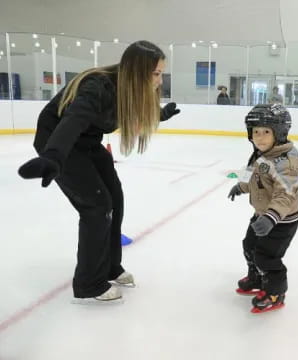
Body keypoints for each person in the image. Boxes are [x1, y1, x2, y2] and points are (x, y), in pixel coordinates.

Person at [18, 40, 180, 303]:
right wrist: (53, 156)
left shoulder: (131, 88)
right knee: (96, 205)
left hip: (89, 141)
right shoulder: (98, 86)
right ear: (138, 71)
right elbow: (74, 119)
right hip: (60, 142)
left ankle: (109, 267)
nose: (160, 81)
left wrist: (161, 115)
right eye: (156, 74)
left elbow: (131, 112)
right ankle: (88, 283)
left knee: (114, 198)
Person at [228, 104, 298, 313]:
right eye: (255, 132)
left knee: (267, 257)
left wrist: (272, 217)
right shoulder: (259, 154)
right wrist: (241, 186)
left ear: (280, 133)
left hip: (282, 220)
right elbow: (253, 176)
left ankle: (275, 292)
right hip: (262, 214)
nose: (259, 137)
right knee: (249, 246)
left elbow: (285, 194)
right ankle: (257, 278)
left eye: (266, 132)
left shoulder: (286, 163)